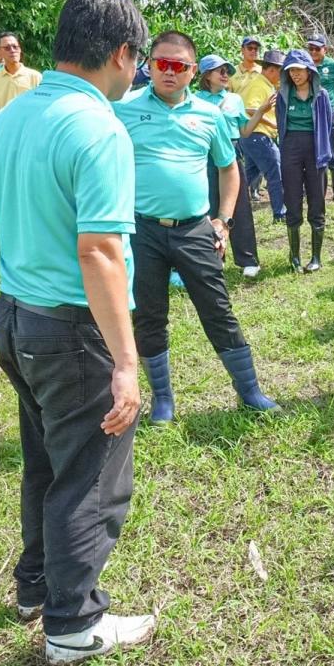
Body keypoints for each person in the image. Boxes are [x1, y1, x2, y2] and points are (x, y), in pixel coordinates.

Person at [0, 0, 156, 661]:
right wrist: (127, 362)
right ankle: (73, 624)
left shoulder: (7, 120)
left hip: (15, 317)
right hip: (73, 332)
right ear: (124, 54)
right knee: (90, 476)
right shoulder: (99, 128)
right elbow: (97, 251)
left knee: (45, 462)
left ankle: (36, 586)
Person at [115, 32, 278, 419]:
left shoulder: (210, 115)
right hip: (143, 231)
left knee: (218, 309)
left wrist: (223, 220)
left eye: (178, 66)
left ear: (192, 71)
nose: (169, 72)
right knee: (150, 315)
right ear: (149, 65)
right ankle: (163, 400)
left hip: (194, 230)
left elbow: (228, 168)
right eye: (161, 63)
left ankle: (250, 390)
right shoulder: (123, 108)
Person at [197, 53, 261, 278]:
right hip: (203, 155)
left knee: (240, 206)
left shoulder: (234, 100)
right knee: (209, 205)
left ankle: (248, 259)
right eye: (220, 71)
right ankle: (215, 257)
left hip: (233, 152)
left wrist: (261, 112)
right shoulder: (193, 99)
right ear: (206, 75)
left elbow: (244, 130)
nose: (225, 75)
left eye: (227, 71)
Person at [276, 49, 334, 273]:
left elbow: (327, 126)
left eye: (299, 70)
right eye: (291, 71)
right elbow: (281, 124)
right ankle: (295, 256)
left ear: (309, 71)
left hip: (315, 149)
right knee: (292, 198)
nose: (295, 75)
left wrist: (324, 151)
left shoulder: (321, 96)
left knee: (316, 199)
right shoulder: (283, 95)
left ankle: (316, 257)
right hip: (290, 147)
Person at [236, 49, 286, 221]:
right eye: (280, 72)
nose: (281, 76)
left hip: (252, 138)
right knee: (276, 173)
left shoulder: (264, 83)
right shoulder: (258, 84)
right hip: (259, 136)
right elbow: (249, 109)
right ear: (271, 69)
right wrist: (272, 123)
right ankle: (280, 213)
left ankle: (227, 205)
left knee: (246, 176)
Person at [304, 33, 334, 201]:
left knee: (331, 149)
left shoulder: (333, 66)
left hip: (328, 112)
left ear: (325, 49)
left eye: (317, 48)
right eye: (310, 48)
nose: (313, 52)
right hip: (308, 112)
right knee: (312, 149)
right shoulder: (305, 64)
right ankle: (315, 187)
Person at [0, 32, 42, 126]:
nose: (12, 50)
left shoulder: (35, 76)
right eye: (7, 48)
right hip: (3, 129)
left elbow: (41, 107)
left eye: (15, 47)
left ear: (20, 49)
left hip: (29, 129)